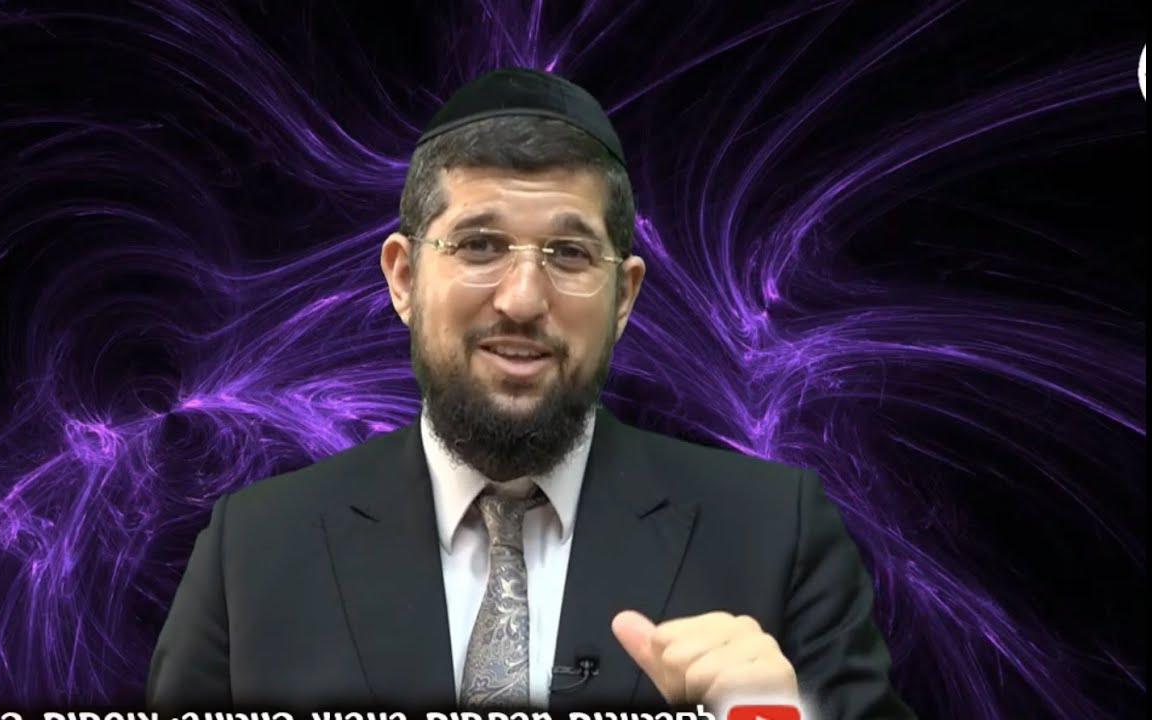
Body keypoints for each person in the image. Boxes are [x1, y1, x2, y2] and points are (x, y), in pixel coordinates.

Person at [147, 67, 914, 719]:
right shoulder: (253, 553)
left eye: (569, 253)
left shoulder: (778, 536)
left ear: (623, 295)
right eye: (479, 245)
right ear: (404, 277)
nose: (521, 298)